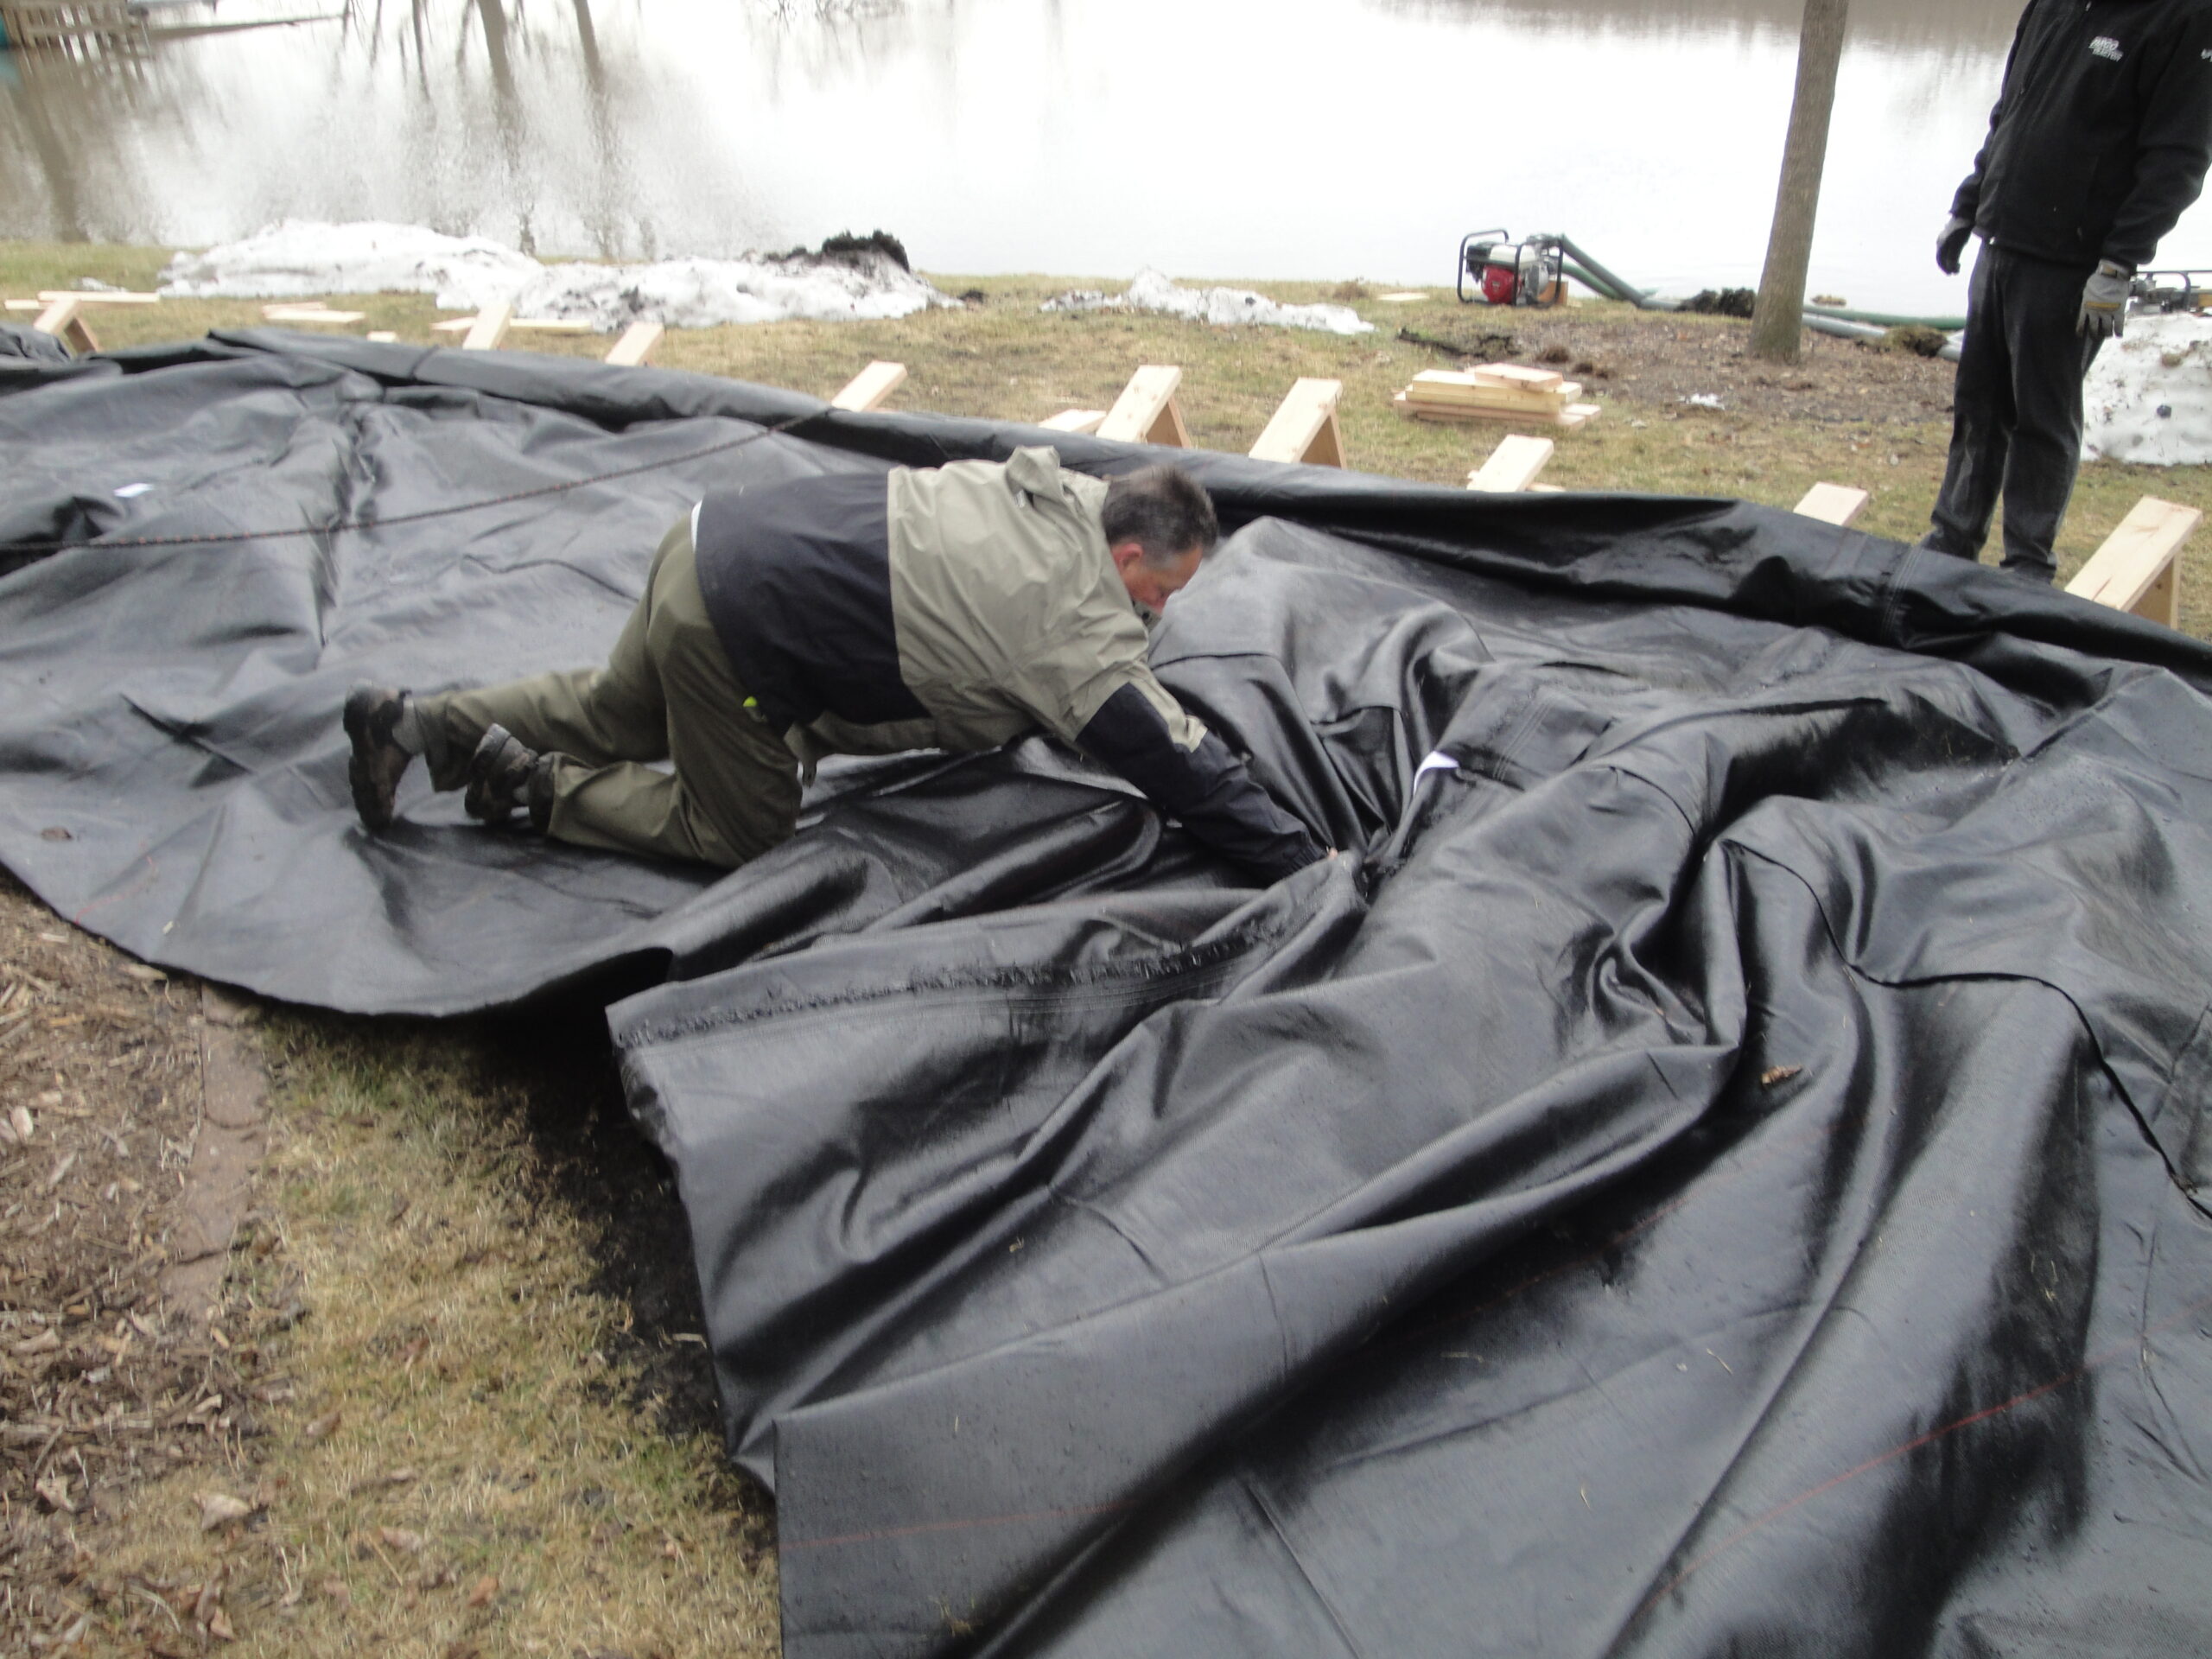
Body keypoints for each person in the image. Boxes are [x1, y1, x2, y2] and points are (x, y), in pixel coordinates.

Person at [343, 451, 1328, 884]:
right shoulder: (1066, 626)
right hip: (737, 631)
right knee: (741, 828)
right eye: (1160, 594)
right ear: (1125, 559)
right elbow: (1178, 763)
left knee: (616, 711)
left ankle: (415, 726)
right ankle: (534, 791)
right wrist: (1299, 858)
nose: (1160, 615)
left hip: (703, 539)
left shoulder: (1059, 492)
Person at [1923, 0, 2212, 581]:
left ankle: (2027, 565)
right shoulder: (2052, 4)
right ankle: (1952, 539)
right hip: (2002, 238)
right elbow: (2011, 112)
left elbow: (2177, 161)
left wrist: (2119, 263)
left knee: (2042, 417)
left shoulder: (2184, 19)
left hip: (2075, 265)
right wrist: (1969, 204)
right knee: (1979, 406)